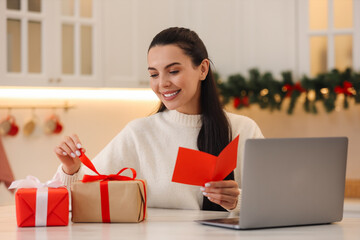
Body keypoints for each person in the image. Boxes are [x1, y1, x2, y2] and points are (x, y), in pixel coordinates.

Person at [54, 27, 263, 212]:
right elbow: (79, 194)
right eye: (154, 75)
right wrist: (71, 169)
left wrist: (238, 201)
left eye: (173, 71)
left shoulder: (243, 130)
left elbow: (277, 201)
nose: (162, 83)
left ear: (203, 69)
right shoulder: (139, 133)